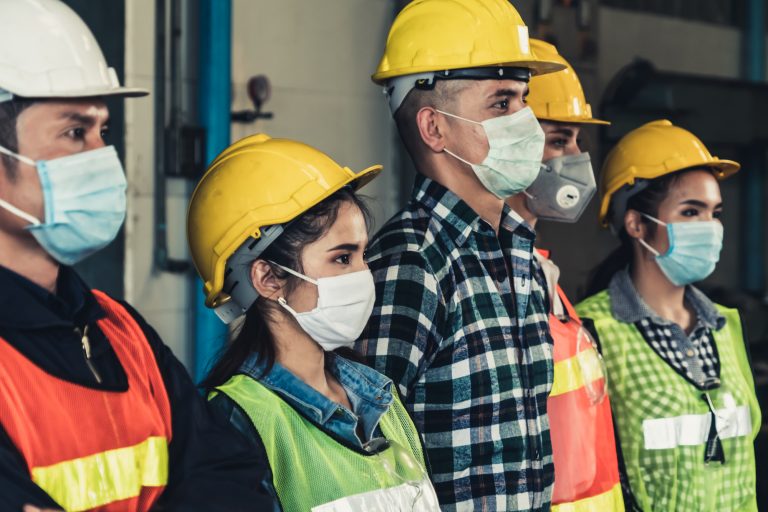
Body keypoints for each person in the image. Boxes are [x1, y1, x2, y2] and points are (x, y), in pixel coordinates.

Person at [0, 1, 271, 510]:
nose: (104, 158)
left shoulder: (121, 331)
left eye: (103, 132)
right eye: (74, 133)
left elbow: (231, 479)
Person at [355, 0, 567, 509]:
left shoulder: (519, 253)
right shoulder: (410, 264)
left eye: (524, 99)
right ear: (434, 128)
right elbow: (370, 458)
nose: (528, 122)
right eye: (501, 103)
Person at [187, 133, 440, 512]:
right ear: (268, 278)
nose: (364, 274)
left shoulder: (381, 400)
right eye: (342, 258)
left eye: (362, 255)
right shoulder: (235, 424)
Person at [576, 120, 761, 511]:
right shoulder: (590, 332)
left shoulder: (725, 326)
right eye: (691, 211)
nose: (710, 227)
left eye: (715, 212)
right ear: (636, 224)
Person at [506, 39, 624, 511]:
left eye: (576, 141)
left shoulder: (541, 270)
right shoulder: (492, 274)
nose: (576, 157)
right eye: (558, 140)